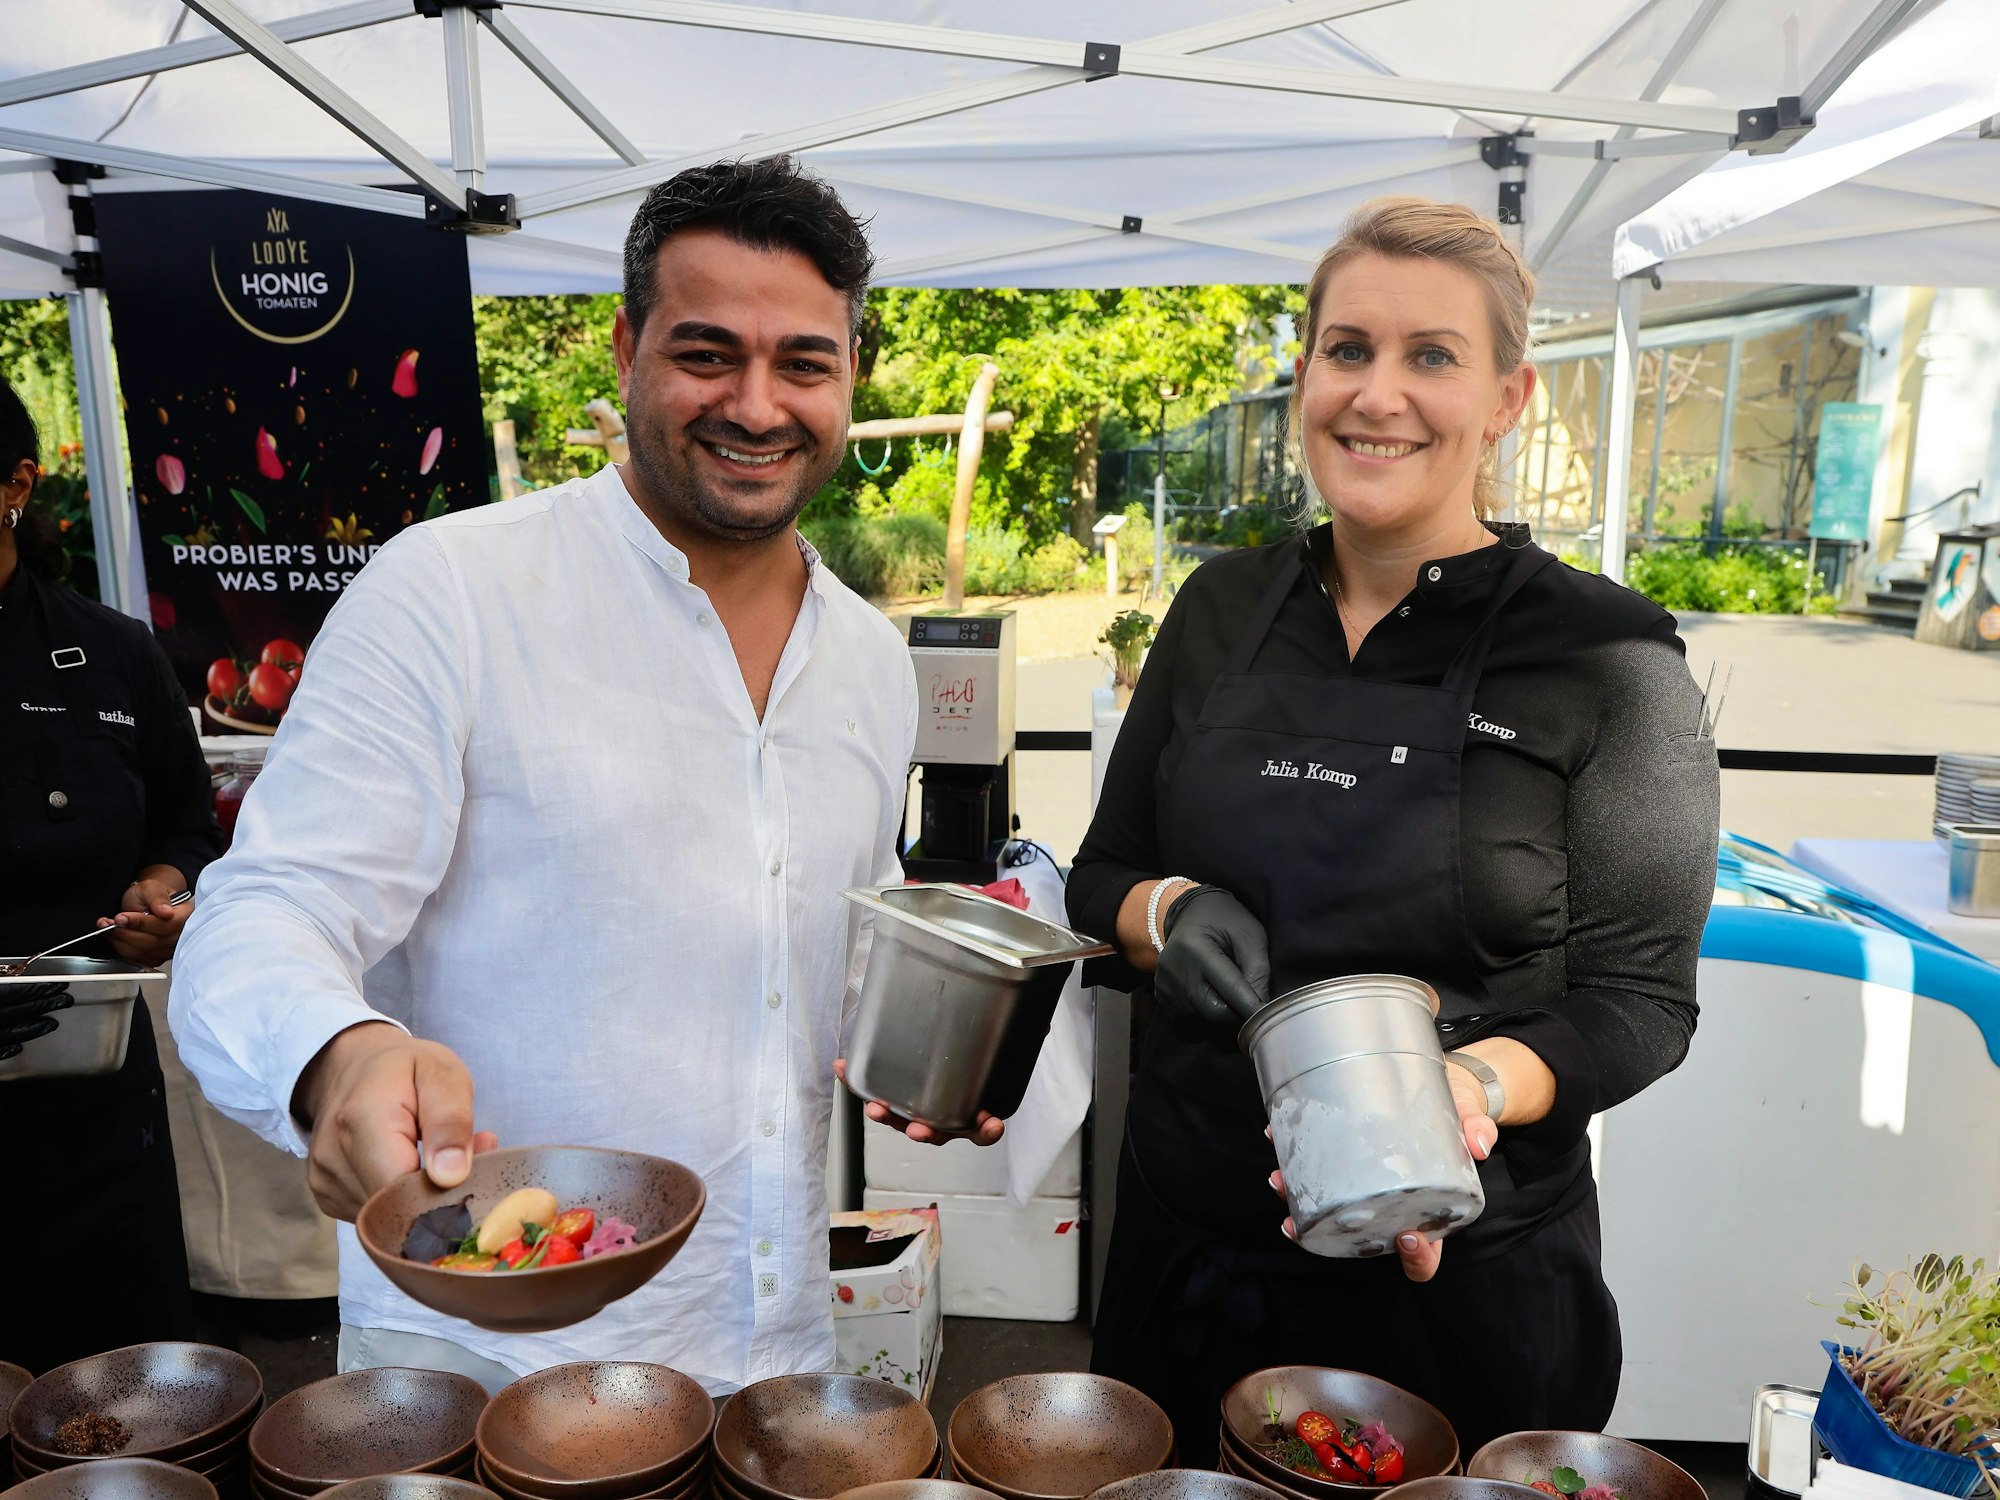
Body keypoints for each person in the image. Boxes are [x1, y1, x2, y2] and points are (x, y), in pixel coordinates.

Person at [170, 157, 921, 1393]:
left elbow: (835, 946)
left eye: (802, 363)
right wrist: (334, 1056)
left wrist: (929, 1038)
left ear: (850, 375)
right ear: (624, 349)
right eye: (705, 354)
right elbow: (266, 908)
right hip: (485, 1362)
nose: (755, 404)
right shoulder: (451, 593)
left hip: (766, 1348)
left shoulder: (871, 662)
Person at [1068, 198, 1720, 1462]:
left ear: (1506, 398)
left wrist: (1463, 1092)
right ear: (1305, 374)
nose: (1377, 395)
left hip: (1462, 1284)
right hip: (1190, 1262)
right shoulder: (1219, 608)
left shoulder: (1608, 657)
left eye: (1431, 355)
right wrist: (1163, 911)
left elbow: (1639, 1003)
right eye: (1347, 350)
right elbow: (1101, 873)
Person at [0, 376, 223, 1371]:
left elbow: (188, 823)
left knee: (126, 1389)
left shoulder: (113, 653)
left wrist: (164, 888)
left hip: (92, 1096)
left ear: (17, 486)